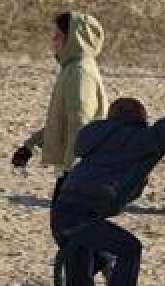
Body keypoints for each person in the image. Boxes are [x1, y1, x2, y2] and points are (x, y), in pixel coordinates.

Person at [50, 97, 165, 286]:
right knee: (128, 249)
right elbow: (163, 132)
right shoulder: (130, 138)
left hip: (62, 213)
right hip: (82, 215)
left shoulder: (96, 138)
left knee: (79, 280)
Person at [11, 11, 110, 176]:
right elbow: (61, 123)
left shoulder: (80, 72)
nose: (53, 41)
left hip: (81, 170)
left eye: (57, 36)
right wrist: (29, 147)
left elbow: (80, 124)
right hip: (77, 167)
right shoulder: (72, 69)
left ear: (72, 39)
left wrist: (72, 171)